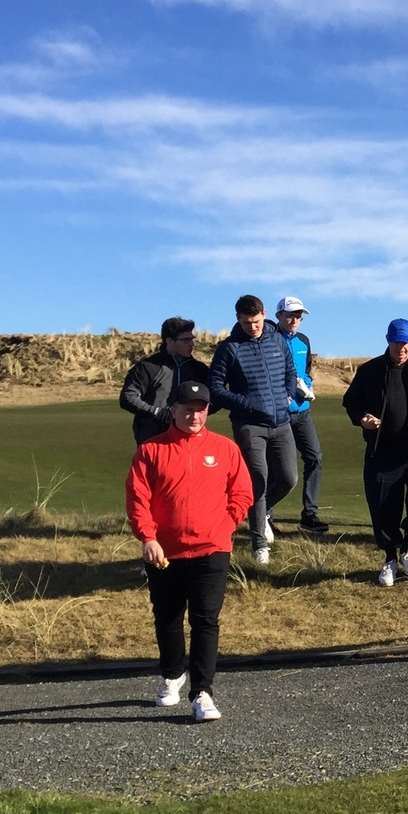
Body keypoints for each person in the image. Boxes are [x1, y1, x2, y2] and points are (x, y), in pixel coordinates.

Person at [124, 380, 253, 723]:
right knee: (167, 618)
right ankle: (171, 674)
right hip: (164, 551)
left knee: (205, 619)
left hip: (212, 548)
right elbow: (138, 500)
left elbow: (241, 493)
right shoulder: (151, 450)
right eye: (187, 408)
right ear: (174, 410)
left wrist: (225, 526)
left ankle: (202, 693)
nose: (194, 415)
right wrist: (148, 538)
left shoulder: (224, 448)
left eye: (201, 409)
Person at [341, 318, 408, 587]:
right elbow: (350, 401)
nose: (402, 347)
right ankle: (390, 558)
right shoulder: (370, 371)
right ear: (388, 340)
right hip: (383, 451)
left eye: (406, 342)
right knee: (382, 506)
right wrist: (362, 418)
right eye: (397, 342)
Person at [209, 294, 305, 565]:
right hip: (249, 425)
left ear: (264, 314)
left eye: (257, 320)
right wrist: (245, 403)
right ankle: (259, 545)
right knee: (258, 481)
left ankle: (260, 512)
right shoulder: (229, 348)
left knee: (288, 478)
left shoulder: (276, 339)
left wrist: (287, 394)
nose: (254, 326)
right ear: (238, 319)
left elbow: (289, 370)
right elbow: (215, 387)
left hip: (281, 422)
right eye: (248, 322)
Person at [275, 296, 327, 533]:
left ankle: (309, 514)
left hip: (302, 412)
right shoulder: (271, 339)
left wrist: (309, 386)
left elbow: (305, 372)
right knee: (277, 467)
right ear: (279, 316)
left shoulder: (304, 341)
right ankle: (265, 515)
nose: (294, 320)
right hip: (279, 413)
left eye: (298, 316)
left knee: (314, 457)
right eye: (290, 315)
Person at [119, 317, 210, 444]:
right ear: (169, 341)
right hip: (153, 437)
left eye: (192, 339)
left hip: (189, 437)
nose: (191, 344)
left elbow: (213, 397)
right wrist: (158, 413)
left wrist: (195, 414)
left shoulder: (199, 369)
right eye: (185, 340)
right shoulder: (148, 366)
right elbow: (128, 397)